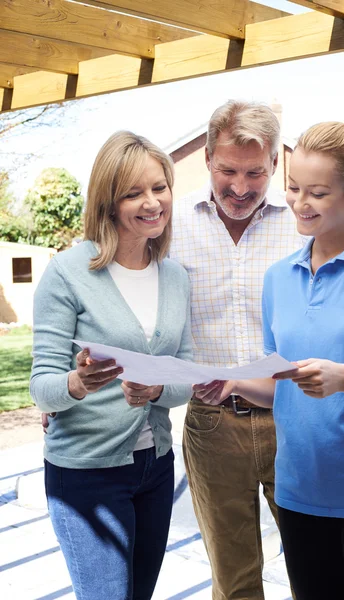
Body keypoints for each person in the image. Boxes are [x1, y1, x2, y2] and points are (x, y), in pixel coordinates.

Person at [195, 115, 344, 600]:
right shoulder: (279, 278)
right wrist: (234, 383)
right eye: (292, 188)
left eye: (317, 193)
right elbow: (279, 385)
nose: (299, 204)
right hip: (300, 493)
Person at [30, 131, 192, 600]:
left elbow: (184, 374)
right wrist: (78, 383)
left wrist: (158, 390)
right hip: (86, 473)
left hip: (156, 467)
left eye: (159, 187)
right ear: (108, 202)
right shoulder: (67, 273)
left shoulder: (175, 276)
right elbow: (41, 388)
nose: (152, 202)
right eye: (133, 193)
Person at [169, 100, 302, 599]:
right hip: (211, 424)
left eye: (254, 172)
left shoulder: (300, 225)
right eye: (228, 170)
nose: (240, 187)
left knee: (316, 565)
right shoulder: (171, 224)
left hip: (293, 417)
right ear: (207, 159)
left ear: (273, 165)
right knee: (234, 577)